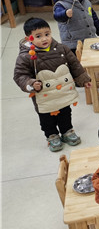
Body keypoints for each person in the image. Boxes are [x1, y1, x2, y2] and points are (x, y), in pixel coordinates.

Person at [13, 17, 91, 151]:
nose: (44, 39)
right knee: (46, 119)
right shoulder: (26, 57)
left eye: (47, 34)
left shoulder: (62, 49)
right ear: (28, 39)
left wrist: (83, 80)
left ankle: (67, 131)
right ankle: (52, 136)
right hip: (44, 97)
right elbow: (20, 75)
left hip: (63, 92)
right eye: (38, 36)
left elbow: (75, 65)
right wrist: (31, 83)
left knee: (65, 113)